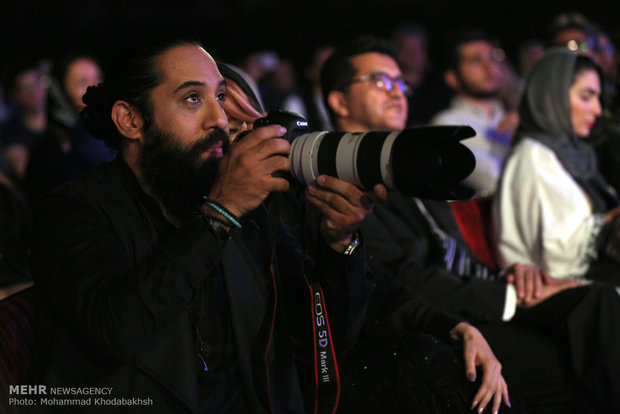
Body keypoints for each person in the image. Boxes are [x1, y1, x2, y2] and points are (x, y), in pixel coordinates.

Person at [29, 39, 385, 414]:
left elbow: (323, 339)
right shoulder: (74, 209)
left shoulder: (237, 205)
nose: (218, 120)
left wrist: (339, 244)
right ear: (130, 120)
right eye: (192, 99)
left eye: (219, 97)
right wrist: (221, 211)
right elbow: (116, 330)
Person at [321, 35, 620, 413]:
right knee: (584, 357)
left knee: (600, 303)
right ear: (339, 100)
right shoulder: (338, 183)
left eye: (401, 83)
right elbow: (402, 277)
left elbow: (457, 251)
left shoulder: (411, 165)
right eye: (381, 81)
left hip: (481, 289)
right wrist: (506, 297)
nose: (397, 93)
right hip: (436, 319)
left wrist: (512, 276)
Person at [221, 60, 515, 414]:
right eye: (231, 128)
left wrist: (457, 327)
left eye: (251, 125)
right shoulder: (213, 222)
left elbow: (384, 290)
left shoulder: (299, 200)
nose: (396, 92)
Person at [494, 50, 620, 286]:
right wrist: (610, 221)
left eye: (598, 98)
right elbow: (558, 257)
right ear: (553, 98)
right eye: (586, 97)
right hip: (556, 292)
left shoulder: (575, 155)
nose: (597, 110)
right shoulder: (532, 156)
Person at [431, 29, 518, 196]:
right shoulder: (448, 125)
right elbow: (493, 181)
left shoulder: (511, 116)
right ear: (452, 78)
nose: (489, 67)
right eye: (476, 60)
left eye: (493, 57)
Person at [24, 53, 115, 202]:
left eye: (99, 79)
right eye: (82, 82)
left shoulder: (118, 135)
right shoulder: (47, 151)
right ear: (60, 93)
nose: (95, 88)